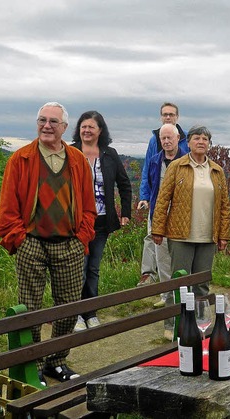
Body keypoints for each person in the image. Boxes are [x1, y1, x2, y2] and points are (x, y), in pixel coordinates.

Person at [0, 102, 96, 383]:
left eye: (53, 121)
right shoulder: (21, 159)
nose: (47, 126)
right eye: (42, 120)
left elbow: (89, 207)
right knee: (30, 309)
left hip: (69, 245)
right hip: (32, 244)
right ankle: (34, 363)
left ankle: (57, 361)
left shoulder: (77, 160)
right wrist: (19, 240)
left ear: (65, 128)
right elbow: (7, 209)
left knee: (68, 306)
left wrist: (82, 238)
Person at [151, 125, 230, 301]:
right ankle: (173, 325)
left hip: (208, 237)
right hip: (181, 236)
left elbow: (224, 205)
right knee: (180, 283)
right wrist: (157, 229)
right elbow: (163, 199)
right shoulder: (176, 166)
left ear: (209, 143)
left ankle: (200, 324)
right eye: (196, 138)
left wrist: (223, 235)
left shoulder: (217, 170)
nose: (201, 141)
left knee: (201, 284)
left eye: (205, 139)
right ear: (188, 142)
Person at [70, 111, 132, 331]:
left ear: (100, 131)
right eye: (83, 126)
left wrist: (125, 212)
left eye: (91, 127)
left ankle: (91, 312)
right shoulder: (69, 152)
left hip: (102, 220)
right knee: (80, 268)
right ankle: (75, 314)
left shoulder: (109, 154)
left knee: (94, 268)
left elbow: (124, 184)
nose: (86, 130)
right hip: (76, 222)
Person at [136, 102, 189, 295]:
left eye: (171, 114)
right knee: (157, 243)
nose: (168, 117)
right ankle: (162, 290)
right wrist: (145, 196)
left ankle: (179, 293)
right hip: (157, 203)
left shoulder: (185, 144)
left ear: (177, 117)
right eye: (165, 114)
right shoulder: (154, 143)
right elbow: (147, 172)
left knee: (178, 249)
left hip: (180, 208)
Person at [141, 123, 186, 334]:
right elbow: (151, 189)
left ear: (178, 138)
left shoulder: (188, 160)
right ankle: (170, 323)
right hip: (159, 221)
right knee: (164, 268)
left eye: (170, 137)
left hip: (182, 223)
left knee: (182, 270)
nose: (166, 141)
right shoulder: (154, 161)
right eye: (163, 138)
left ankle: (186, 318)